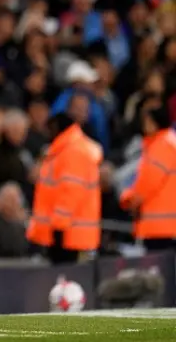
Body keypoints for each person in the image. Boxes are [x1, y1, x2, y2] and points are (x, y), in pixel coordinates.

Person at [26, 112, 102, 265]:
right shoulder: (65, 149)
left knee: (67, 279)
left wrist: (59, 225)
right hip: (65, 231)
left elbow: (72, 191)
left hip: (68, 233)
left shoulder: (73, 151)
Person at [120, 105, 176, 252]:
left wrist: (129, 199)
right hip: (167, 225)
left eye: (147, 120)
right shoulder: (169, 143)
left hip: (159, 225)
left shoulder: (161, 146)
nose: (144, 124)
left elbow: (148, 182)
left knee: (159, 270)